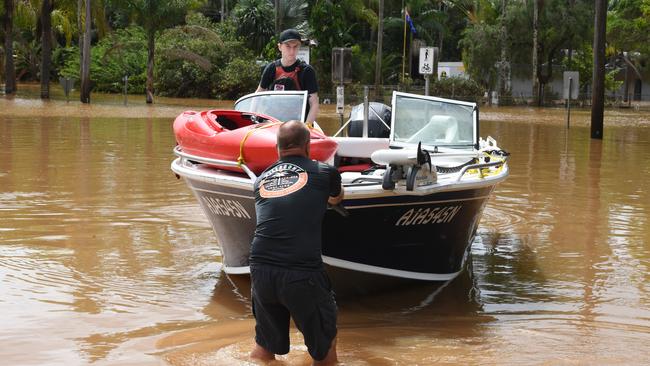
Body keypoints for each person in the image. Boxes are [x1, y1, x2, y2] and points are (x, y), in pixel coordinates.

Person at [249, 121, 343, 365]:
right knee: (325, 346)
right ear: (308, 145)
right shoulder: (325, 172)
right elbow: (336, 197)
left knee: (263, 346)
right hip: (301, 271)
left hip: (260, 270)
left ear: (277, 148)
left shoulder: (260, 180)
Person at [256, 28, 320, 125]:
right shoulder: (271, 68)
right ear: (280, 47)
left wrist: (307, 126)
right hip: (272, 123)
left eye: (295, 46)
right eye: (288, 46)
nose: (292, 50)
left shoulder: (307, 71)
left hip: (298, 125)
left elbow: (314, 103)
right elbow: (258, 96)